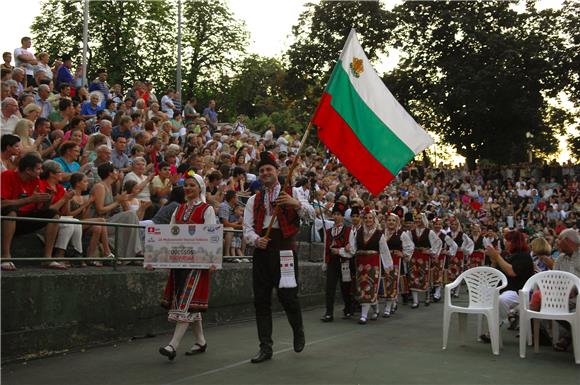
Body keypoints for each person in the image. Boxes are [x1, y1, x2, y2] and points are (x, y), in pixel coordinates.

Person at [243, 151, 314, 363]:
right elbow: (246, 229)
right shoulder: (254, 199)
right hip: (263, 250)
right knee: (261, 300)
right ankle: (265, 347)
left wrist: (295, 203)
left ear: (276, 171)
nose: (265, 173)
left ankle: (298, 330)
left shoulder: (294, 192)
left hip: (284, 250)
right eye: (262, 170)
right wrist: (256, 240)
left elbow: (311, 215)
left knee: (288, 296)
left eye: (269, 169)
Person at [157, 171, 217, 360]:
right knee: (188, 302)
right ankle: (200, 341)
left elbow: (211, 234)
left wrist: (212, 260)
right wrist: (162, 258)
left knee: (186, 303)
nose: (189, 188)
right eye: (186, 185)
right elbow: (171, 234)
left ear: (200, 188)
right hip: (180, 260)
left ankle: (172, 345)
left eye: (192, 185)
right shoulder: (179, 209)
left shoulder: (207, 209)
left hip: (198, 262)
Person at [1, 153, 61, 270]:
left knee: (53, 213)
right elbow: (2, 203)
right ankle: (5, 256)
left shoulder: (36, 181)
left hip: (26, 218)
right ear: (28, 170)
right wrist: (29, 199)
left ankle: (47, 258)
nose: (41, 171)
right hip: (7, 218)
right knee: (11, 211)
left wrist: (48, 200)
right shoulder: (7, 175)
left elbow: (40, 209)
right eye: (38, 169)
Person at [483, 230, 535, 342]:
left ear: (514, 242)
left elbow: (512, 272)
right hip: (503, 289)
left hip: (518, 291)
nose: (505, 242)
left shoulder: (524, 256)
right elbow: (495, 273)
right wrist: (493, 259)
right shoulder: (508, 255)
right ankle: (499, 323)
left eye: (507, 240)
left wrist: (497, 257)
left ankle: (496, 326)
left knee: (502, 300)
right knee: (491, 297)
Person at [349, 207, 393, 324]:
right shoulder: (357, 233)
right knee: (362, 287)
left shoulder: (379, 234)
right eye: (366, 218)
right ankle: (376, 309)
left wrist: (388, 266)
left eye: (370, 218)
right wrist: (347, 248)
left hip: (374, 265)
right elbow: (353, 249)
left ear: (374, 220)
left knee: (370, 287)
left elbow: (384, 251)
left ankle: (363, 316)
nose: (368, 220)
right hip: (360, 264)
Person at [89, 163, 142, 259]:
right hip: (99, 221)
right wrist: (118, 202)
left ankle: (135, 252)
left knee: (131, 215)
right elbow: (100, 210)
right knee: (130, 215)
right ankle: (136, 251)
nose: (118, 173)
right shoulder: (100, 186)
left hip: (108, 219)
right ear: (110, 173)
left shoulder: (111, 186)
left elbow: (117, 205)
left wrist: (123, 200)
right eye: (116, 171)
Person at [321, 204, 353, 322]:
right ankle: (329, 313)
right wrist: (325, 262)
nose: (336, 217)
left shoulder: (349, 231)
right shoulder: (329, 231)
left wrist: (340, 251)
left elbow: (352, 249)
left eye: (338, 215)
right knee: (330, 288)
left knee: (345, 287)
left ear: (343, 216)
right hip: (332, 262)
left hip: (344, 261)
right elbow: (325, 247)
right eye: (334, 214)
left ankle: (348, 309)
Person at [381, 213, 414, 315]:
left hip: (395, 260)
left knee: (392, 282)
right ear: (386, 222)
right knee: (384, 282)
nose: (391, 222)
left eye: (393, 220)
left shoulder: (401, 234)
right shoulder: (381, 233)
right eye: (389, 220)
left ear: (397, 222)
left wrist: (403, 254)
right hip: (383, 260)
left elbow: (410, 246)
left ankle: (388, 306)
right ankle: (392, 302)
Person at [408, 212, 441, 308]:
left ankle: (427, 297)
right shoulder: (412, 232)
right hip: (414, 256)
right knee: (413, 276)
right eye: (416, 219)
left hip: (424, 257)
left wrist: (431, 251)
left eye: (419, 219)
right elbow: (408, 244)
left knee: (424, 276)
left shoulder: (429, 232)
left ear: (423, 220)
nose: (417, 220)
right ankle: (415, 301)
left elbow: (438, 242)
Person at [431, 217, 457, 302]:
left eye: (439, 224)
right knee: (432, 273)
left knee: (439, 273)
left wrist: (448, 252)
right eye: (436, 224)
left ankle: (437, 293)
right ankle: (433, 291)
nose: (437, 226)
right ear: (433, 225)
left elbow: (454, 245)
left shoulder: (444, 236)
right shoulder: (430, 234)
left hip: (441, 257)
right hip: (431, 257)